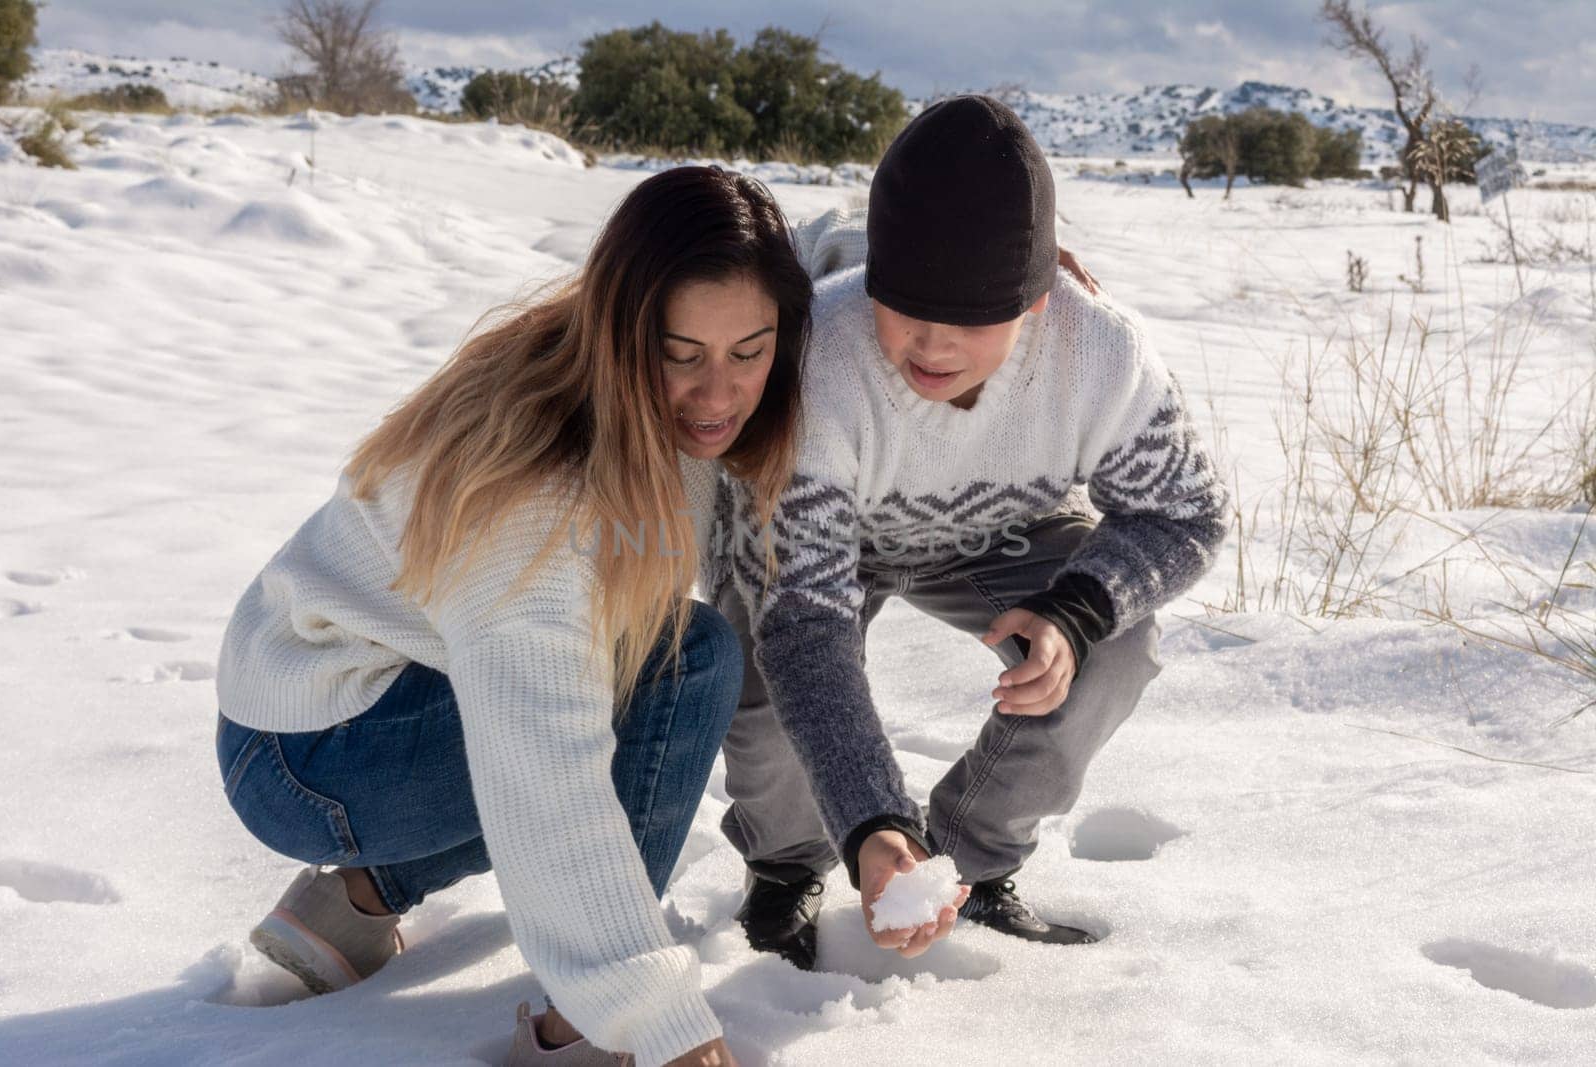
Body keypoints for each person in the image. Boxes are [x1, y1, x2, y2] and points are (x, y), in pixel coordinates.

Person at [214, 165, 812, 1067]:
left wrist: (974, 280)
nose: (719, 393)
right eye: (679, 354)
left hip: (390, 700)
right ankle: (582, 1025)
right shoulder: (539, 492)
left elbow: (830, 268)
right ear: (622, 330)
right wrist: (654, 1018)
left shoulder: (628, 372)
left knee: (664, 653)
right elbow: (545, 766)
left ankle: (362, 898)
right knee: (680, 666)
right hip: (307, 745)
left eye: (749, 351)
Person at [718, 95, 1230, 970]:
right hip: (832, 538)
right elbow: (805, 627)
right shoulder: (819, 365)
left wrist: (1073, 612)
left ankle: (972, 860)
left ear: (1037, 302)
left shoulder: (1101, 355)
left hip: (997, 527)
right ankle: (787, 863)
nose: (933, 344)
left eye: (974, 316)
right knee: (761, 671)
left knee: (1114, 643)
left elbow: (1189, 511)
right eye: (907, 305)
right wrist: (872, 820)